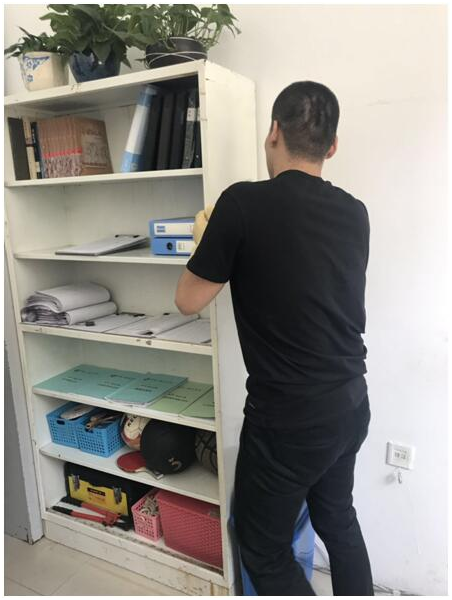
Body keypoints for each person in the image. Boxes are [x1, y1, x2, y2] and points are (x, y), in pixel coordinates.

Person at [175, 81, 373, 596]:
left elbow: (188, 300)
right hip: (350, 403)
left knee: (262, 547)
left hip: (288, 419)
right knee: (338, 521)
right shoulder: (355, 213)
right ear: (332, 146)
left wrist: (205, 240)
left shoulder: (242, 204)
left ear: (273, 133)